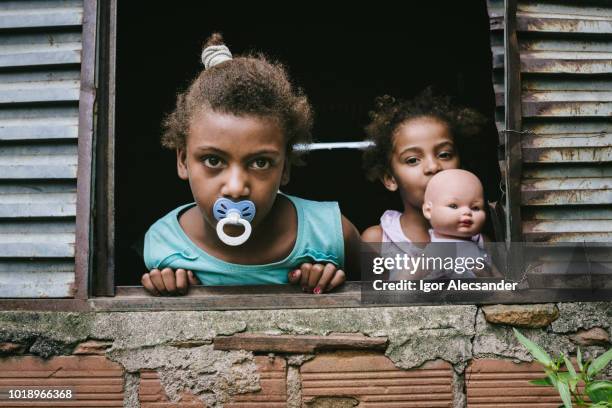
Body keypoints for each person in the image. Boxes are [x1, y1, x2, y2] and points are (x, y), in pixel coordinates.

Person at [141, 33, 360, 296]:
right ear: (182, 160)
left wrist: (339, 283)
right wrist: (166, 288)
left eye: (260, 162)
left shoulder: (332, 233)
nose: (235, 189)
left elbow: (397, 290)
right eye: (213, 160)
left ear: (286, 167)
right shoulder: (163, 245)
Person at [361, 91, 491, 279]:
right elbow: (375, 304)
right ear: (390, 179)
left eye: (444, 154)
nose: (433, 167)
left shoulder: (480, 242)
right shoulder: (377, 241)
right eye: (413, 160)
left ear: (460, 166)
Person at [421, 169, 491, 278]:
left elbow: (497, 277)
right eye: (453, 206)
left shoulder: (482, 241)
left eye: (475, 208)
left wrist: (484, 275)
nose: (467, 212)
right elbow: (407, 277)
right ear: (428, 211)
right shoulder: (431, 248)